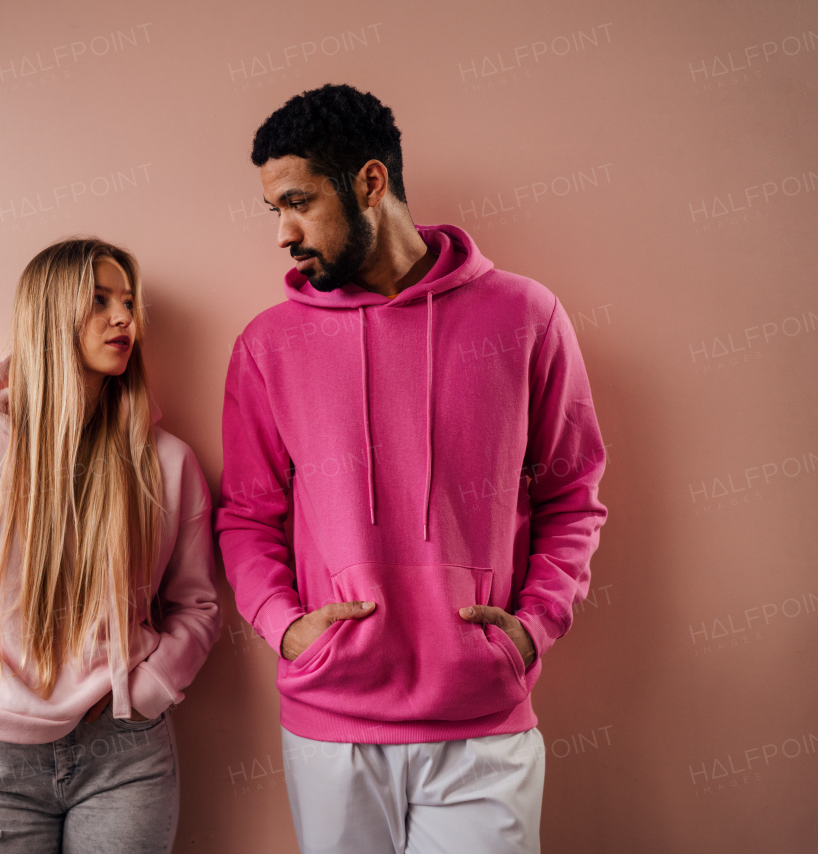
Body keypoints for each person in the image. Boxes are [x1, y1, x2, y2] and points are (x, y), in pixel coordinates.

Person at [216, 84, 608, 853]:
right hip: (333, 723)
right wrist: (286, 629)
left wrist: (532, 630)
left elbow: (572, 495)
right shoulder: (267, 346)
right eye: (275, 211)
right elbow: (245, 515)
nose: (284, 234)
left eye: (298, 202)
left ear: (369, 182)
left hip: (483, 724)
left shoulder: (525, 317)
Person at [0, 237, 221, 853]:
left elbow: (197, 604)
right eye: (99, 301)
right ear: (48, 314)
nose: (124, 318)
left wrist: (147, 691)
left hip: (125, 755)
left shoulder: (168, 464)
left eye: (128, 302)